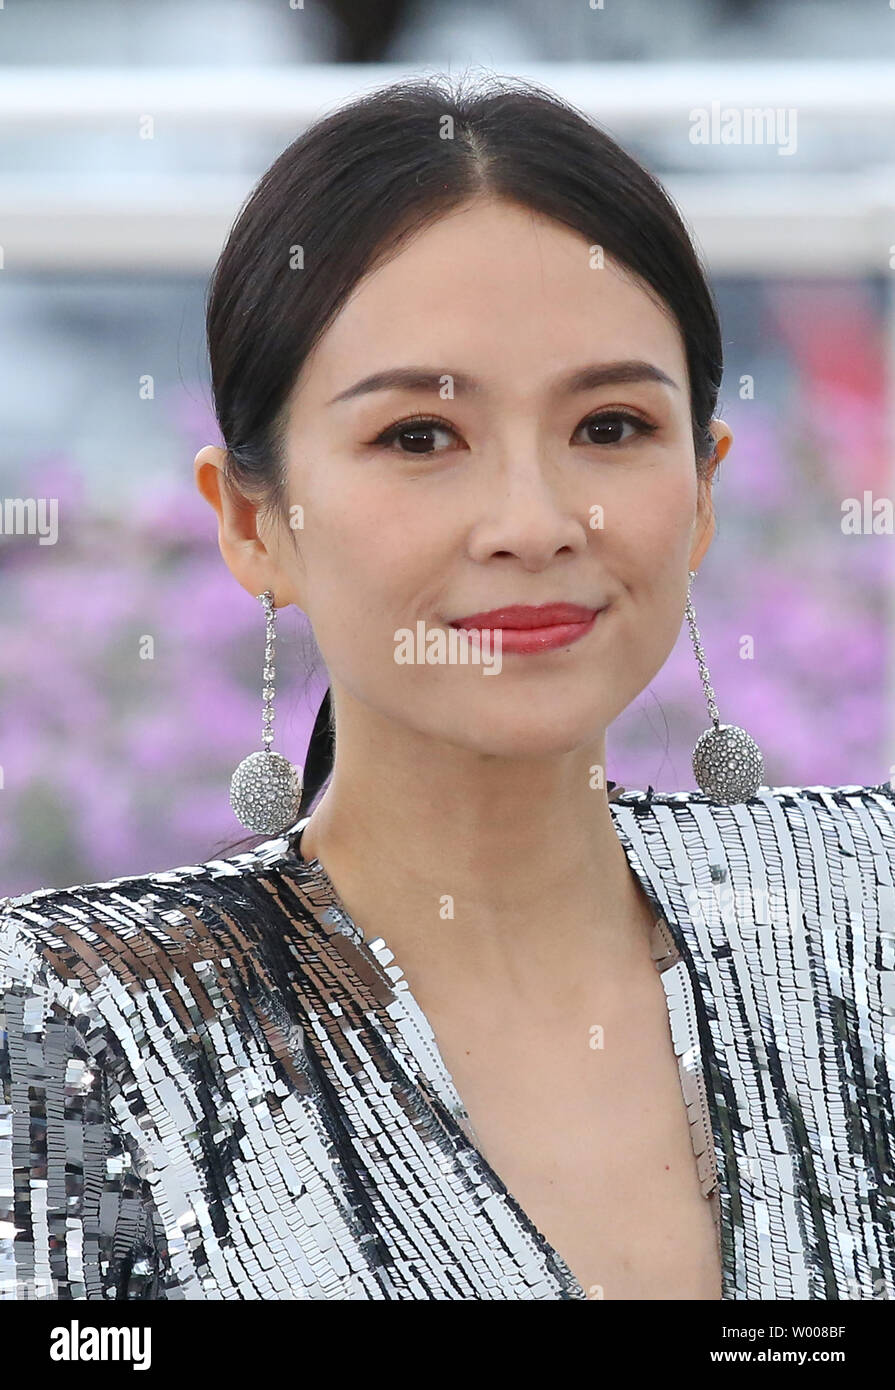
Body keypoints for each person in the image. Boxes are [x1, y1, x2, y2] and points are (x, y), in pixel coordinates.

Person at [2, 74, 893, 1303]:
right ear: (253, 521)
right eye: (418, 436)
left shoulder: (865, 916)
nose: (531, 524)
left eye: (612, 425)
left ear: (703, 488)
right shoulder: (79, 1028)